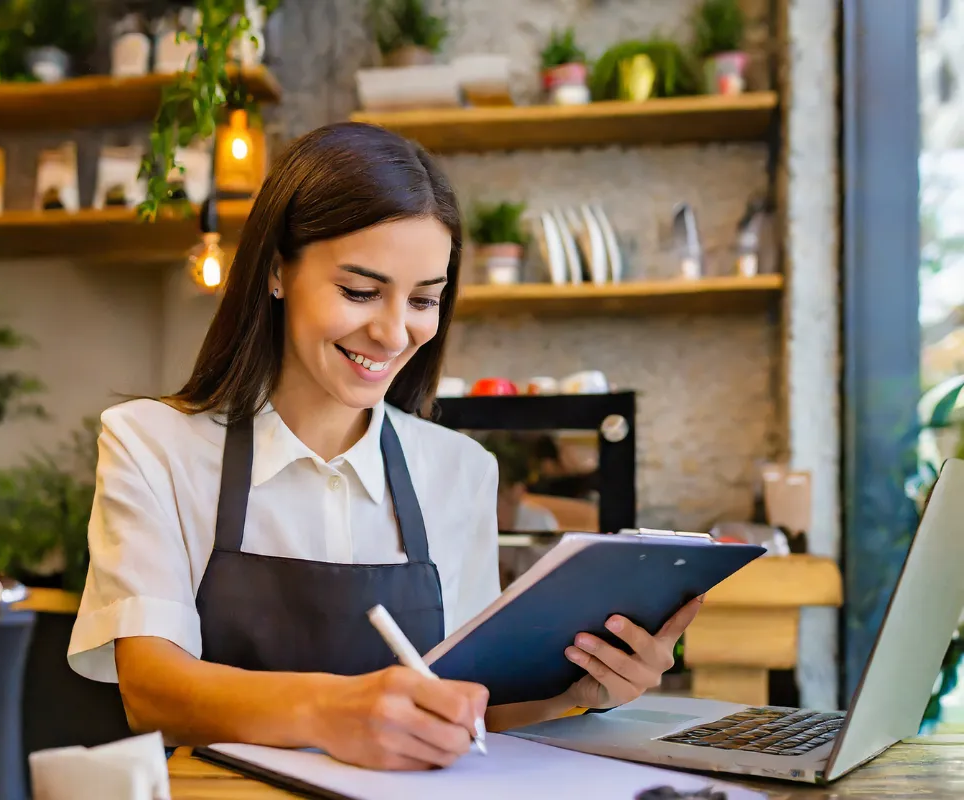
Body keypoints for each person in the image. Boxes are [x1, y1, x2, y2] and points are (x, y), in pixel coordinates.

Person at [66, 121, 703, 771]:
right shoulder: (152, 445)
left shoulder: (460, 471)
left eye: (424, 299)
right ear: (278, 271)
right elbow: (152, 690)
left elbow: (480, 710)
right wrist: (334, 711)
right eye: (360, 291)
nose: (394, 332)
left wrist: (583, 689)